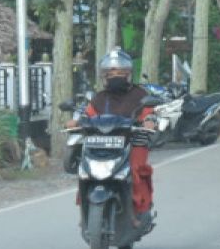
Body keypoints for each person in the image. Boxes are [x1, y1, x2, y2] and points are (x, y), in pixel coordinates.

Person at [67, 49, 159, 226]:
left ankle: (140, 211)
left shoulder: (140, 95)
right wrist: (75, 122)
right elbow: (87, 114)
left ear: (129, 74)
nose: (115, 76)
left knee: (136, 169)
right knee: (85, 171)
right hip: (102, 144)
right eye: (111, 73)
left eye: (120, 73)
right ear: (104, 76)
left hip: (133, 141)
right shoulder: (99, 98)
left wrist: (149, 121)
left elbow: (149, 113)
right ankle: (85, 212)